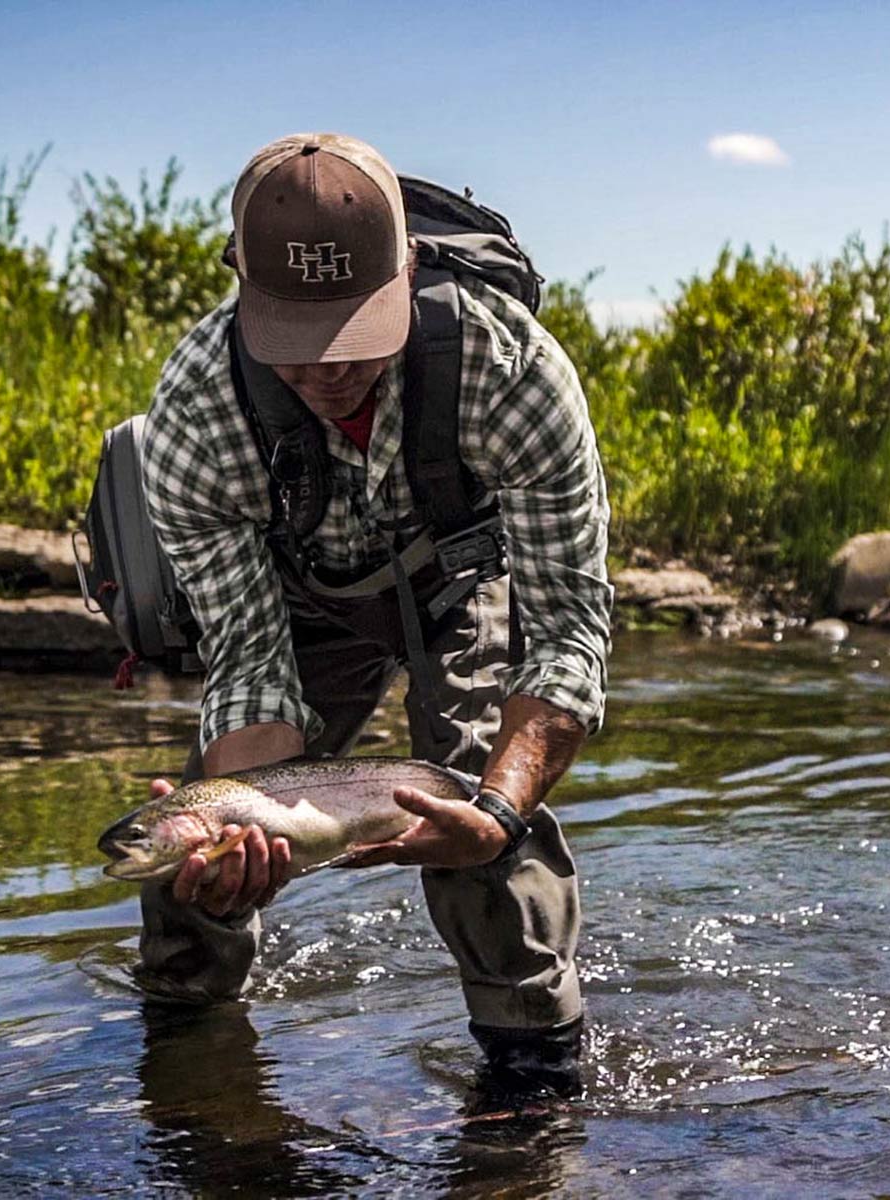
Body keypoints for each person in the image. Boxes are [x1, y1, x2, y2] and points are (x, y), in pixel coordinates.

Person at [134, 132, 612, 1089]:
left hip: (464, 585)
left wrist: (499, 812)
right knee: (190, 870)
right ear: (243, 290)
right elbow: (250, 665)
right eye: (298, 341)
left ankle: (535, 1086)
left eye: (355, 331)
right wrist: (240, 832)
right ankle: (193, 1082)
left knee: (477, 829)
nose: (328, 369)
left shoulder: (508, 367)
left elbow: (565, 632)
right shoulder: (197, 412)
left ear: (409, 271)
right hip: (297, 603)